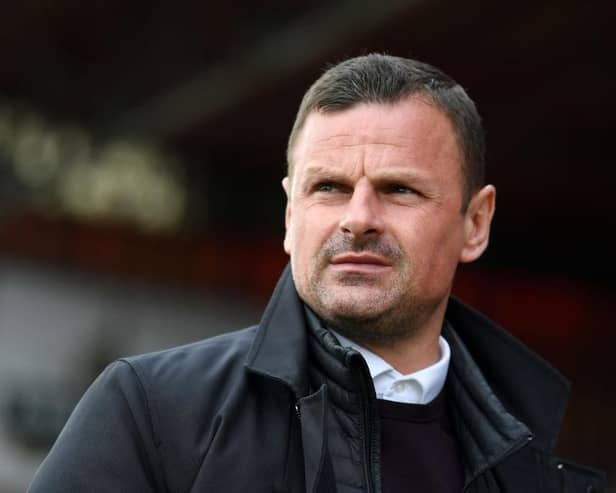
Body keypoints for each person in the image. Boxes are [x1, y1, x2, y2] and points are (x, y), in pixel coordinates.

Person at [28, 54, 606, 493]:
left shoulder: (539, 470)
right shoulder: (152, 411)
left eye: (398, 189)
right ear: (289, 215)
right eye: (328, 187)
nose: (357, 219)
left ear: (475, 224)